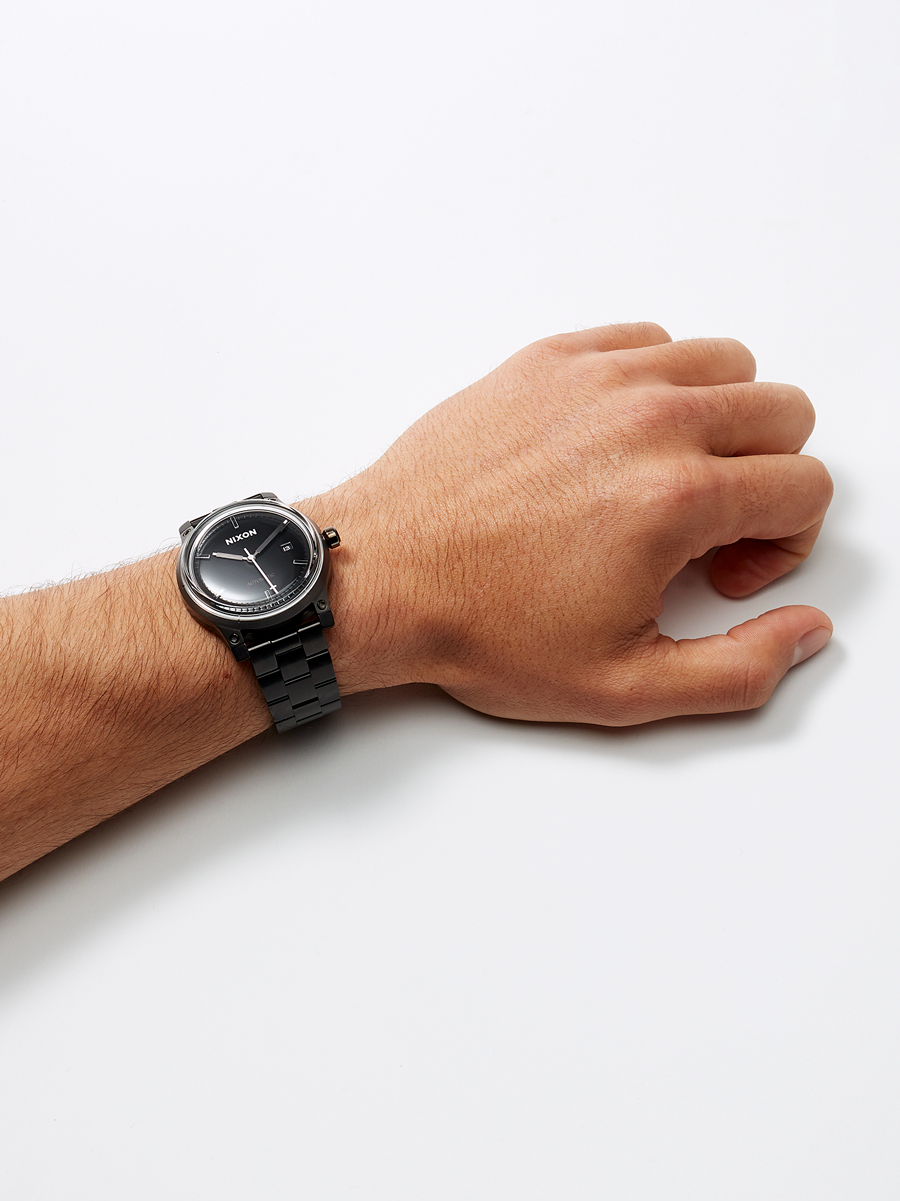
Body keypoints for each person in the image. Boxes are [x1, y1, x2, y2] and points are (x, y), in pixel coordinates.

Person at [0, 322, 833, 879]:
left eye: (259, 542)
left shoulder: (287, 551)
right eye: (241, 548)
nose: (253, 550)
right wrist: (398, 566)